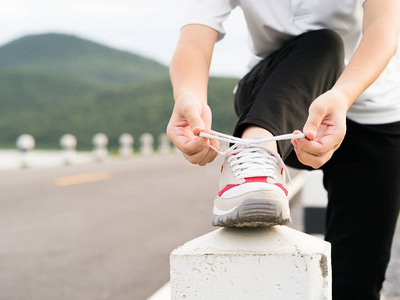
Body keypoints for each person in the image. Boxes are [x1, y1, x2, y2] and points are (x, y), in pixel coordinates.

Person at [166, 0, 400, 299]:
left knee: (358, 278)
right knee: (323, 42)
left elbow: (384, 25)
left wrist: (341, 96)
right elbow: (195, 38)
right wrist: (188, 95)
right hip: (274, 101)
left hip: (371, 109)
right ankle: (255, 154)